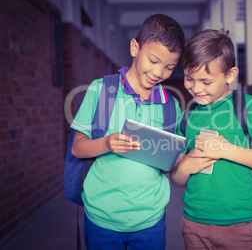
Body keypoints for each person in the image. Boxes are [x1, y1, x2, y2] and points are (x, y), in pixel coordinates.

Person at [70, 14, 185, 249]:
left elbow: (169, 164)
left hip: (151, 220)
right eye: (153, 60)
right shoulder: (101, 91)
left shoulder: (170, 105)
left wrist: (176, 159)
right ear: (135, 48)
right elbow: (78, 148)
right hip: (102, 217)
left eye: (169, 67)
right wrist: (107, 143)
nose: (158, 72)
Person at [171, 29, 252, 250]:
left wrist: (225, 150)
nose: (196, 88)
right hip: (194, 224)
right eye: (189, 78)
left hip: (240, 228)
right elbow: (177, 179)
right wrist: (186, 166)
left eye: (206, 80)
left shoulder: (248, 107)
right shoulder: (188, 115)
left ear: (230, 76)